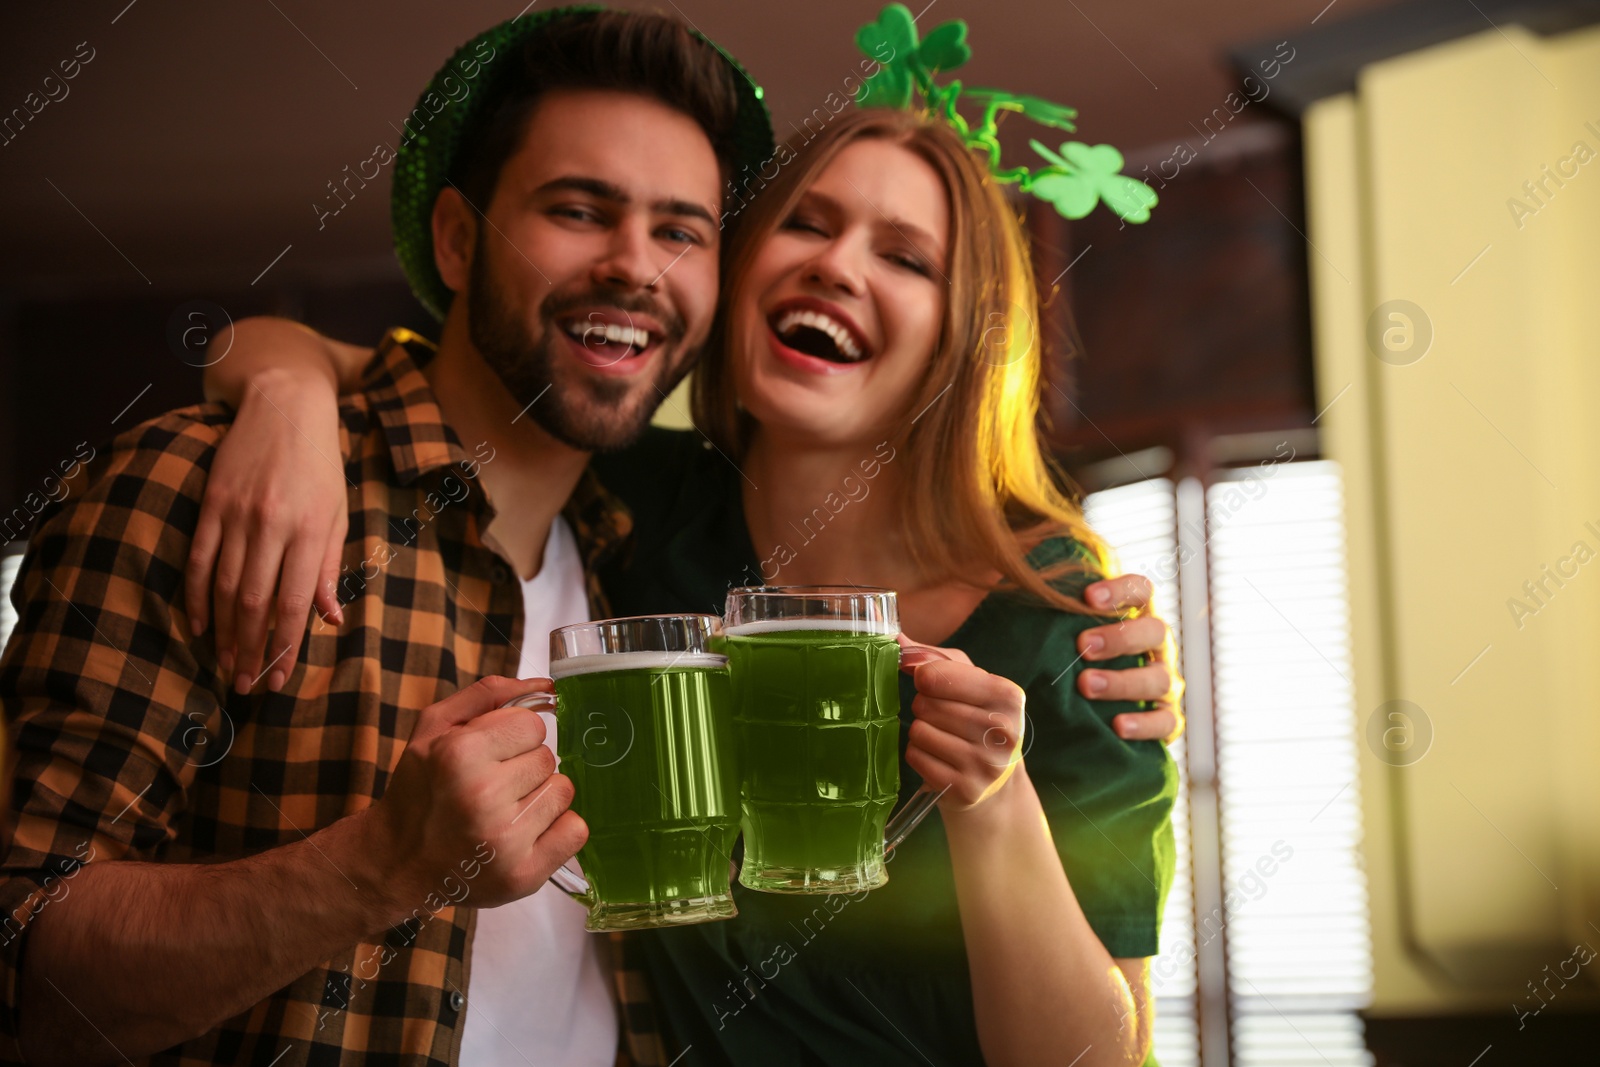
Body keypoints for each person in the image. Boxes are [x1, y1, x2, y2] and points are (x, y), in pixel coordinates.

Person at [193, 45, 1183, 1067]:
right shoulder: (639, 503)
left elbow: (1101, 1054)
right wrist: (285, 395)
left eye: (903, 255)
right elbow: (368, 373)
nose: (834, 265)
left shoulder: (1073, 627)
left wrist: (994, 799)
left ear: (961, 334)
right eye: (804, 220)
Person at [0, 10, 771, 1066]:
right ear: (456, 239)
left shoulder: (634, 553)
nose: (636, 265)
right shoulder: (205, 482)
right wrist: (379, 863)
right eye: (580, 209)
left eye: (681, 230)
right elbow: (28, 979)